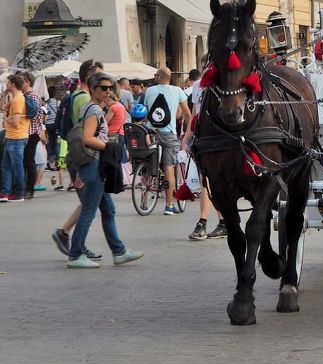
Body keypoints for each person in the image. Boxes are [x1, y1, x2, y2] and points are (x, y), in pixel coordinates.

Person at [66, 72, 143, 268]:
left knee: (108, 210)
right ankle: (75, 255)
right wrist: (109, 146)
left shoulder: (95, 108)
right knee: (89, 212)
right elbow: (88, 138)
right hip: (93, 164)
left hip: (95, 164)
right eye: (104, 88)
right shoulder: (92, 110)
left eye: (110, 88)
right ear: (93, 89)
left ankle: (119, 252)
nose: (108, 91)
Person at [51, 59, 104, 259]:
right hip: (84, 159)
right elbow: (82, 135)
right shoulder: (84, 100)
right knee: (89, 205)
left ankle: (70, 239)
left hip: (81, 158)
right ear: (89, 77)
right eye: (98, 77)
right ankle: (72, 243)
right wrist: (82, 166)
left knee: (89, 204)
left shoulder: (77, 96)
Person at [182, 60, 226, 241]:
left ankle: (208, 223)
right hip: (202, 138)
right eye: (204, 65)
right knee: (207, 182)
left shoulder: (224, 84)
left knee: (210, 183)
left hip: (218, 139)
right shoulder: (198, 86)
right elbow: (194, 114)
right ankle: (216, 222)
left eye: (209, 64)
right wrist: (185, 139)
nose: (206, 68)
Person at [143, 67, 191, 215]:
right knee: (169, 165)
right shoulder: (177, 91)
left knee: (149, 161)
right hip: (169, 134)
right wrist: (187, 129)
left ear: (158, 77)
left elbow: (146, 111)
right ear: (170, 77)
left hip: (151, 133)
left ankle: (144, 200)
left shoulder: (149, 91)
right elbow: (188, 113)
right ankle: (169, 205)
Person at [0, 74, 30, 201]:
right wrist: (3, 96)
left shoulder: (18, 99)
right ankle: (5, 193)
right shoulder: (14, 98)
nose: (6, 84)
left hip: (17, 137)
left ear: (13, 83)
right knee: (6, 166)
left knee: (17, 166)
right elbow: (2, 107)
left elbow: (16, 121)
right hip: (11, 136)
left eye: (7, 82)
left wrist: (6, 118)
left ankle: (19, 194)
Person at [21, 72, 47, 199]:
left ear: (27, 82)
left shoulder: (31, 96)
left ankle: (29, 189)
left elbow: (33, 115)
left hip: (31, 132)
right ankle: (27, 187)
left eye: (21, 81)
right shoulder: (28, 95)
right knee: (27, 160)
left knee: (28, 160)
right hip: (30, 131)